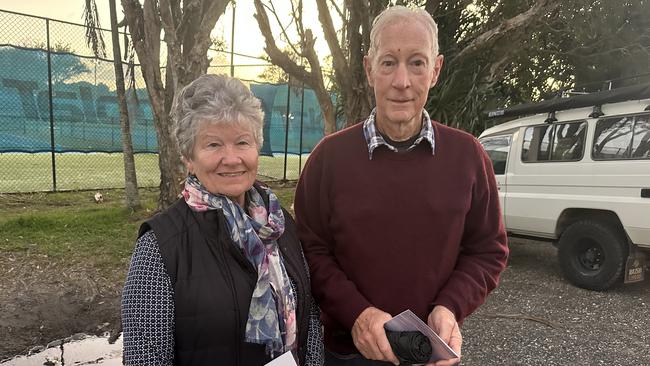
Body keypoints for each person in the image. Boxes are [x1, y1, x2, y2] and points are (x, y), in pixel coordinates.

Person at [294, 6, 508, 366]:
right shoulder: (329, 158)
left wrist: (450, 307)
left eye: (417, 63)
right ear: (369, 68)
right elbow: (308, 251)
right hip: (346, 353)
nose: (402, 81)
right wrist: (357, 314)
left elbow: (487, 251)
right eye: (389, 62)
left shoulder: (468, 156)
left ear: (436, 70)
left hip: (430, 351)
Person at [122, 74, 323, 366]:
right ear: (188, 157)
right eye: (213, 145)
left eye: (242, 142)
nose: (231, 158)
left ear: (257, 147)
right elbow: (146, 360)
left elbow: (310, 321)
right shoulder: (160, 248)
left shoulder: (280, 225)